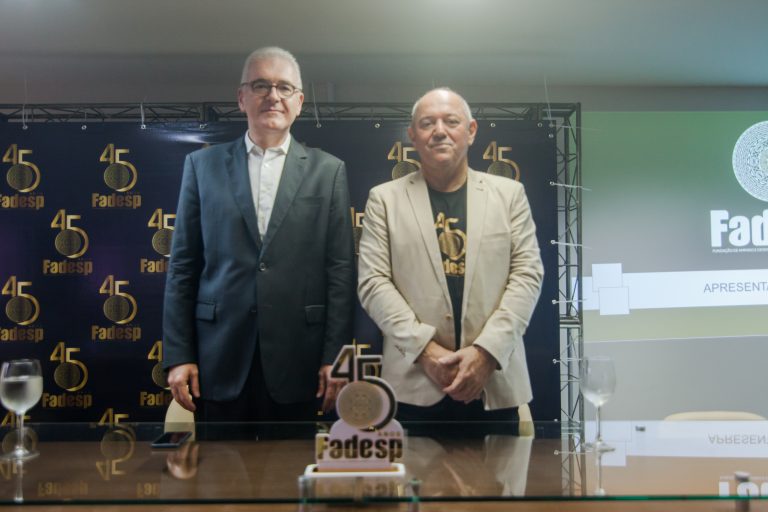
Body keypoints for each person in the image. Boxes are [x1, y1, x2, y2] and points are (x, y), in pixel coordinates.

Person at [163, 47, 355, 421]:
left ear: (299, 102)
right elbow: (183, 266)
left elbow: (341, 272)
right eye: (261, 85)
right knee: (219, 461)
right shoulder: (202, 167)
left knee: (291, 461)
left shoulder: (328, 171)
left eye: (284, 87)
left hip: (300, 360)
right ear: (241, 98)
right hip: (217, 357)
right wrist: (179, 354)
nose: (273, 96)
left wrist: (337, 359)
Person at [357, 88, 543, 421]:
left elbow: (527, 276)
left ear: (471, 131)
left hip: (493, 383)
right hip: (415, 386)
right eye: (427, 123)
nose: (439, 131)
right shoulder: (384, 200)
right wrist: (426, 352)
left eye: (451, 121)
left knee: (503, 460)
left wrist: (486, 353)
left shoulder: (510, 195)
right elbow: (373, 283)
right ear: (413, 135)